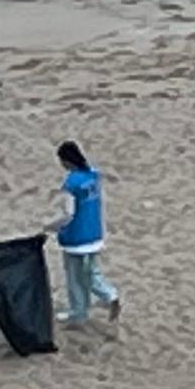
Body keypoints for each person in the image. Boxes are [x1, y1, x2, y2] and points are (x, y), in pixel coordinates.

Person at [52, 138, 120, 327]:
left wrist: (51, 228)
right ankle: (110, 294)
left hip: (76, 238)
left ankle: (79, 312)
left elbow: (68, 214)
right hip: (94, 233)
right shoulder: (93, 176)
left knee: (75, 278)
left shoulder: (71, 184)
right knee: (92, 272)